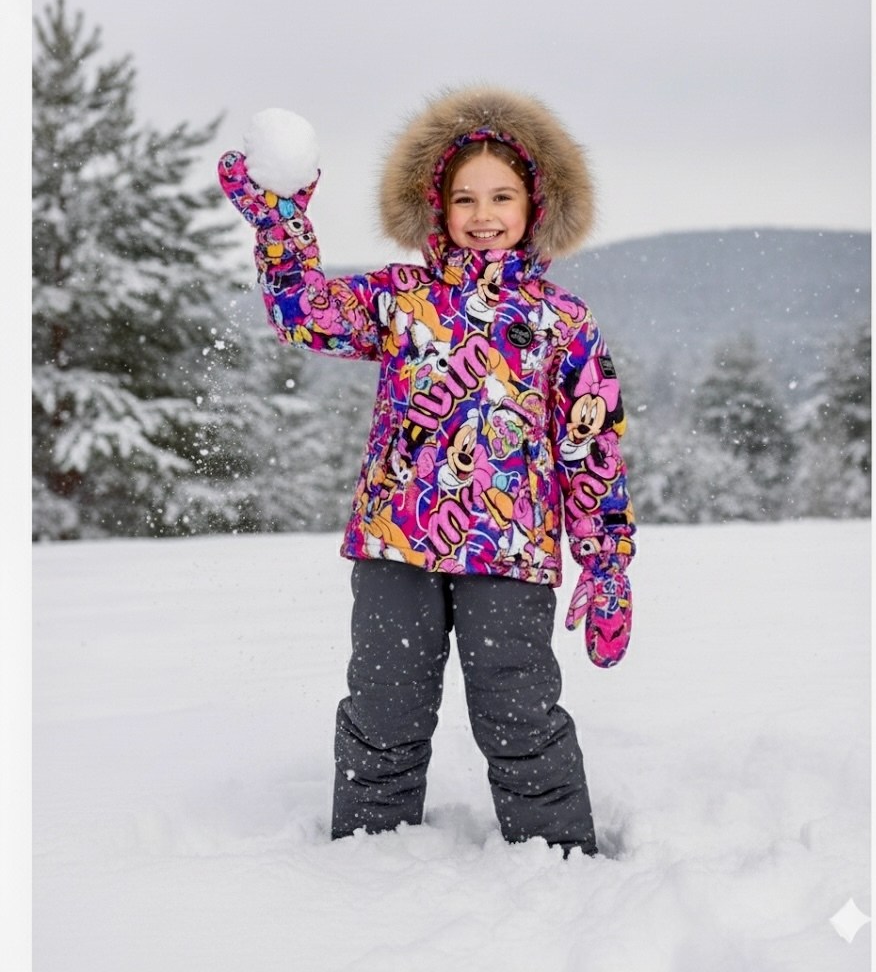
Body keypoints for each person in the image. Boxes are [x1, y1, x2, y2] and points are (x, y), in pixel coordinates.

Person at [218, 86, 636, 857]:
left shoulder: (563, 322)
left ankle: (564, 865)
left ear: (535, 204)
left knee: (518, 711)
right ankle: (368, 865)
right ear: (435, 207)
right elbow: (303, 310)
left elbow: (591, 448)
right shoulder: (398, 298)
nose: (483, 214)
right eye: (465, 197)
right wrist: (281, 225)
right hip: (395, 544)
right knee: (385, 708)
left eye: (502, 196)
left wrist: (605, 561)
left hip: (510, 554)